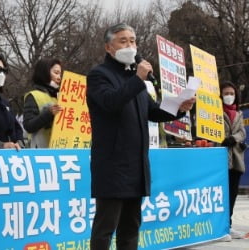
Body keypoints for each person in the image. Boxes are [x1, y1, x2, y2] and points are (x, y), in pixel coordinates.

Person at [86, 23, 195, 250]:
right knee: (105, 229)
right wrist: (138, 79)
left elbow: (153, 111)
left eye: (133, 40)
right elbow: (110, 102)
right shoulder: (99, 75)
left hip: (136, 167)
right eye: (123, 40)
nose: (130, 45)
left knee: (131, 228)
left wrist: (180, 107)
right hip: (112, 166)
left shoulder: (135, 80)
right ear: (108, 47)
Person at [220, 81, 247, 239]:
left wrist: (233, 138)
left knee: (232, 194)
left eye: (231, 93)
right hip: (221, 157)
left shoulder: (239, 113)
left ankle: (228, 225)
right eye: (226, 93)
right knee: (221, 195)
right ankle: (221, 227)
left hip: (236, 159)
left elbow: (242, 132)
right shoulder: (215, 111)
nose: (229, 96)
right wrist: (224, 139)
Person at [23, 58, 63, 148]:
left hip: (60, 149)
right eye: (56, 73)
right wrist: (48, 113)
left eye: (60, 74)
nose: (59, 77)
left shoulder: (61, 97)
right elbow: (28, 126)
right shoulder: (33, 96)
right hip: (41, 151)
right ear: (44, 73)